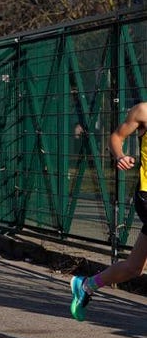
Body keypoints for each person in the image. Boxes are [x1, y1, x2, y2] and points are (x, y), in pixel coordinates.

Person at [70, 102, 147, 321]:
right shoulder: (143, 111)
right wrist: (120, 156)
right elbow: (115, 138)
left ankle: (85, 286)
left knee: (134, 268)